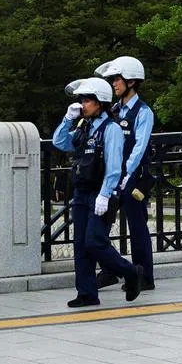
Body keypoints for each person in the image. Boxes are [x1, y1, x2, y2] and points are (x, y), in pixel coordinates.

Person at [53, 78, 144, 307]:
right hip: (82, 192)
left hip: (101, 194)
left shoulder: (110, 129)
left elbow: (114, 166)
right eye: (81, 100)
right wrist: (67, 119)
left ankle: (131, 272)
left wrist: (105, 194)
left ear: (100, 102)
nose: (82, 104)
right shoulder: (85, 127)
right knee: (81, 246)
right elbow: (60, 142)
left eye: (87, 100)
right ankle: (87, 293)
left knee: (95, 242)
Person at [94, 56, 156, 291]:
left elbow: (139, 149)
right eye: (112, 80)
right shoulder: (115, 110)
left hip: (134, 177)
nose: (113, 84)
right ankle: (111, 269)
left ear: (131, 81)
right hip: (112, 175)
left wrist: (124, 177)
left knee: (137, 226)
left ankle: (145, 276)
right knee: (101, 222)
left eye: (116, 79)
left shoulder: (143, 112)